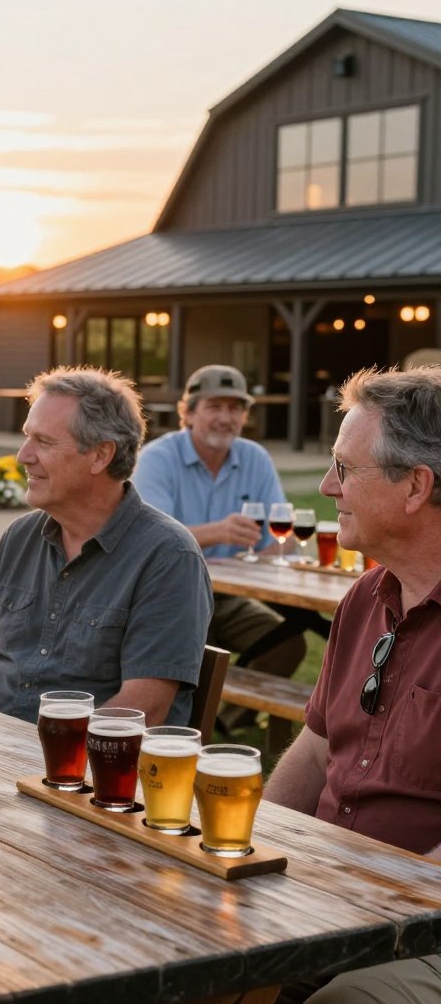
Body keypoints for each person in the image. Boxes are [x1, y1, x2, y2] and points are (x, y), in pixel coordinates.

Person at [263, 366, 441, 1003]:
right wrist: (249, 850)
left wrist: (361, 911)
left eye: (346, 468)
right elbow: (316, 748)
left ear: (416, 486)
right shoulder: (367, 594)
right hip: (331, 897)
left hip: (421, 922)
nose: (327, 486)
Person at [0, 366, 213, 726]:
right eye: (27, 437)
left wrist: (51, 757)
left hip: (87, 771)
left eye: (44, 442)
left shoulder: (169, 557)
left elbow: (142, 707)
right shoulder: (19, 537)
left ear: (100, 456)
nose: (23, 455)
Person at [133, 364, 308, 696]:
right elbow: (148, 541)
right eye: (214, 406)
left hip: (227, 596)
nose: (226, 418)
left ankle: (225, 721)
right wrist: (219, 533)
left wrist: (282, 547)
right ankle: (198, 726)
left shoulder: (255, 457)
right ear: (187, 412)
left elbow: (280, 541)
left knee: (286, 644)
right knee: (197, 654)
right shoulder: (157, 458)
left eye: (235, 408)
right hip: (170, 596)